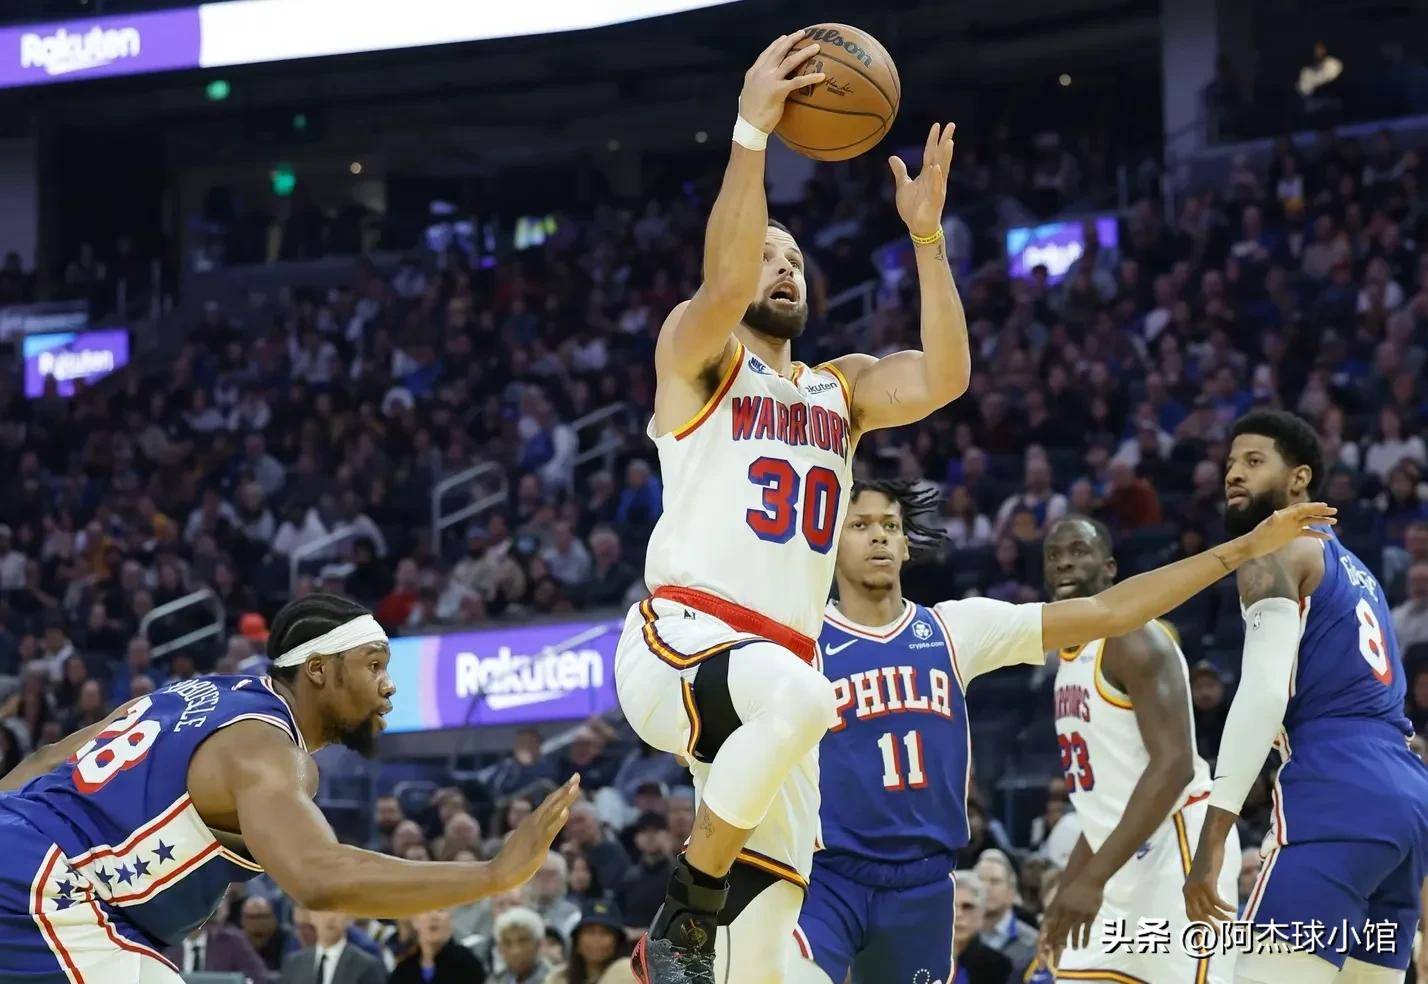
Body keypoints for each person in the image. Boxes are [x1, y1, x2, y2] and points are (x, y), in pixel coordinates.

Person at [614, 31, 974, 984]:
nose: (782, 268)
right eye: (767, 253)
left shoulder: (837, 389)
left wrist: (927, 238)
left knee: (767, 956)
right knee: (812, 697)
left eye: (796, 258)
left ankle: (697, 939)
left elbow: (945, 375)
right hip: (686, 639)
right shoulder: (697, 357)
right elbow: (724, 279)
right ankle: (683, 912)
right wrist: (751, 130)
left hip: (780, 680)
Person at [792, 481, 1333, 984]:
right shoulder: (800, 643)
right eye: (860, 525)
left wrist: (1244, 547)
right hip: (832, 875)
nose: (879, 536)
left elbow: (1111, 610)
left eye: (890, 525)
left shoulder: (955, 628)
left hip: (938, 881)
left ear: (907, 545)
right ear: (830, 543)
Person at [0, 593, 579, 980]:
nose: (388, 686)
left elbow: (47, 759)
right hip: (48, 888)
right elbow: (319, 878)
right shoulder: (270, 749)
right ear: (319, 669)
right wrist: (494, 875)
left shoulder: (197, 692)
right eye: (374, 665)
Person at [1185, 410, 1428, 982]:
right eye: (1230, 464)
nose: (1233, 474)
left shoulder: (1276, 550)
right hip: (1408, 799)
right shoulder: (1357, 569)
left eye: (1254, 461)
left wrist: (1213, 837)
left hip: (1337, 787)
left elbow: (1263, 695)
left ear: (1299, 479)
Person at [1038, 515, 1240, 983]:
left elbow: (1176, 766)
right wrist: (1069, 887)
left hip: (1178, 852)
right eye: (1053, 555)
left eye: (1078, 551)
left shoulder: (1133, 638)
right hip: (1117, 858)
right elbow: (1103, 802)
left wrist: (1091, 880)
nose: (1064, 562)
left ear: (1109, 568)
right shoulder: (1066, 658)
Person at [279, 909, 386, 984]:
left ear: (348, 916)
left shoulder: (367, 966)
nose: (330, 917)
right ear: (311, 916)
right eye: (323, 910)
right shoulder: (293, 964)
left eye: (337, 910)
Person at [549, 900, 637, 984]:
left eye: (605, 932)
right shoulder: (558, 978)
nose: (596, 939)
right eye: (590, 931)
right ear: (577, 941)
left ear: (618, 941)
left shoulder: (630, 973)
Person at [390, 908, 487, 984]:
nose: (434, 916)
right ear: (414, 921)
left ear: (451, 917)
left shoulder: (467, 964)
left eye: (441, 910)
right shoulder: (403, 971)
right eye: (426, 910)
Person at [491, 906, 553, 984]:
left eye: (523, 941)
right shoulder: (494, 980)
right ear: (500, 948)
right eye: (507, 943)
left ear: (538, 944)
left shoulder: (556, 980)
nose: (515, 951)